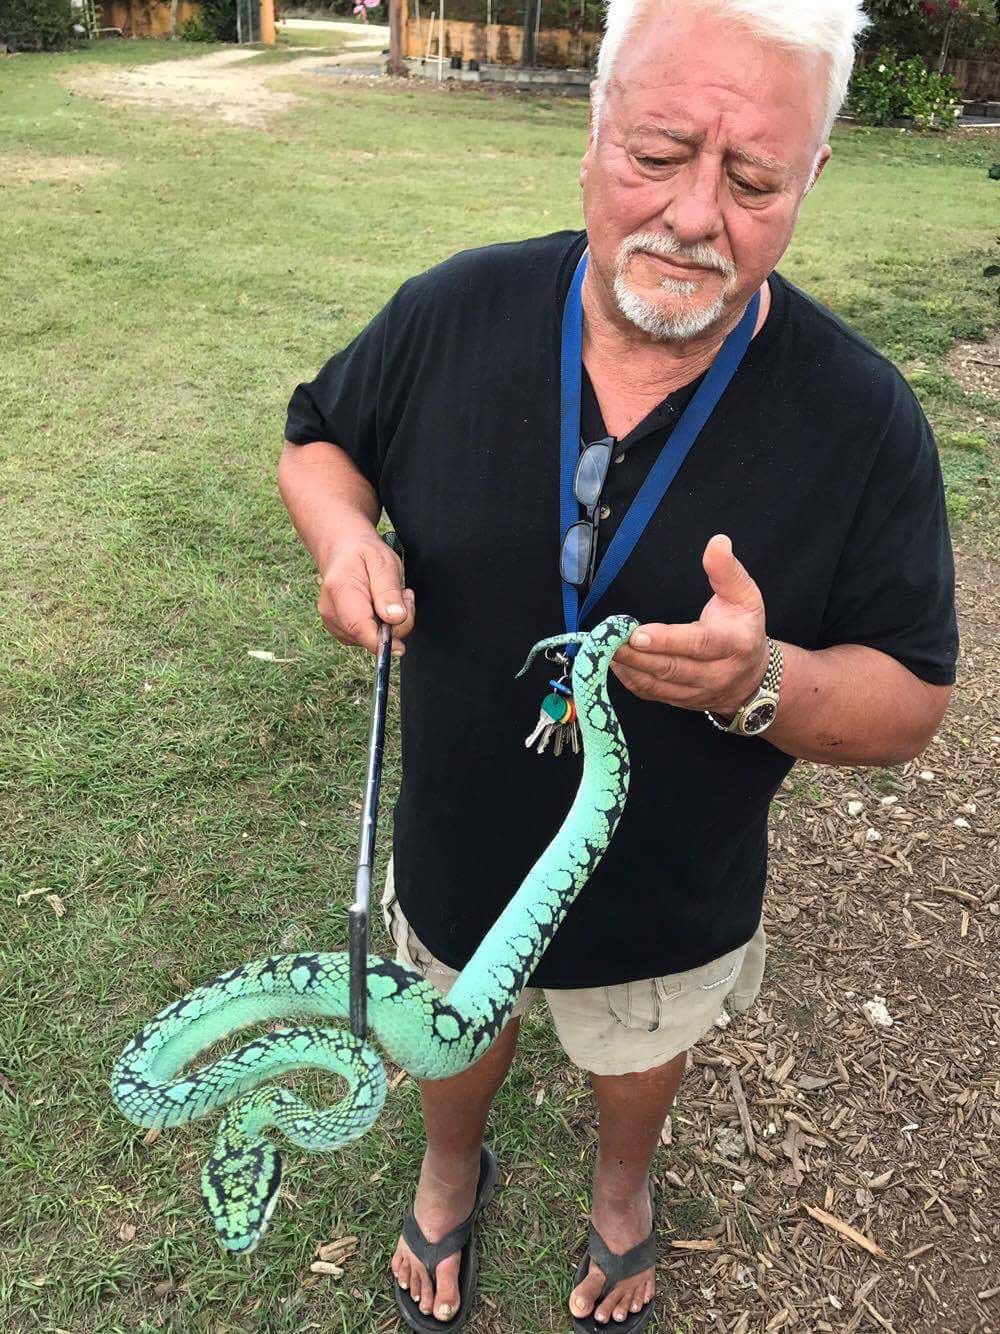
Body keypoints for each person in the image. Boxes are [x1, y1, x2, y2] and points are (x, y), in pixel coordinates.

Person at [279, 0, 958, 1327]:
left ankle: (622, 1192)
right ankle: (449, 1158)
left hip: (671, 897)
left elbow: (910, 699)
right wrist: (345, 532)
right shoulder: (453, 312)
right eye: (658, 151)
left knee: (640, 1050)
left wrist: (763, 682)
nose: (696, 215)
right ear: (593, 127)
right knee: (453, 1029)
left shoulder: (864, 422)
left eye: (754, 178)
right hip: (456, 847)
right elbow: (320, 438)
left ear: (813, 175)